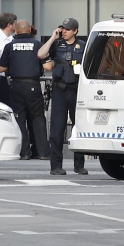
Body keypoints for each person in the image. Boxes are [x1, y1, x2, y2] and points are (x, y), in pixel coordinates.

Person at [37, 18, 87, 176]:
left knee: (78, 128)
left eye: (67, 29)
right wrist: (53, 37)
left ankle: (79, 165)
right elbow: (40, 54)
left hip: (77, 91)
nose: (64, 31)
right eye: (62, 29)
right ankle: (56, 166)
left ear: (75, 31)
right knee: (57, 130)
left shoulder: (83, 46)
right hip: (59, 90)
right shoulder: (57, 45)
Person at [0, 20, 50, 160]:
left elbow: (1, 68)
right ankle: (43, 152)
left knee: (19, 119)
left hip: (15, 85)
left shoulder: (9, 46)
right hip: (33, 85)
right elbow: (48, 67)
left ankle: (24, 152)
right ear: (30, 29)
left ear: (16, 31)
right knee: (38, 118)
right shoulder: (38, 45)